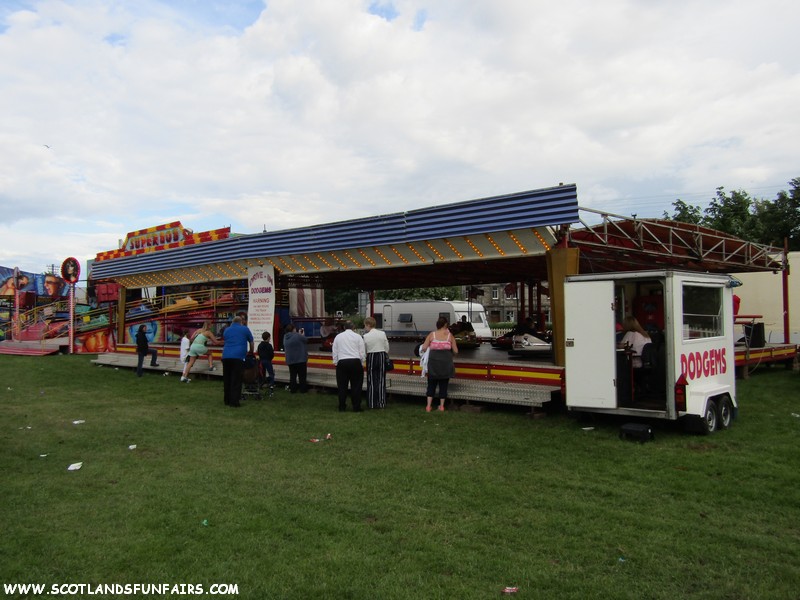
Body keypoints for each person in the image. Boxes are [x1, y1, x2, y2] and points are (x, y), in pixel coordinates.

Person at [420, 316, 458, 412]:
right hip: (446, 362)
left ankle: (428, 406)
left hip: (433, 363)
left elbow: (424, 348)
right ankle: (441, 406)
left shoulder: (432, 334)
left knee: (431, 384)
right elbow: (456, 351)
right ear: (446, 325)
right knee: (443, 385)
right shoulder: (450, 336)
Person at [332, 321, 366, 412]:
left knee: (342, 386)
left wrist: (336, 362)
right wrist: (362, 362)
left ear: (344, 327)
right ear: (353, 327)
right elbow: (362, 351)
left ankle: (342, 406)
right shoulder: (358, 337)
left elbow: (335, 350)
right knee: (356, 386)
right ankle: (356, 407)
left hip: (342, 362)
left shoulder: (338, 337)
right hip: (355, 362)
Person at [221, 316, 254, 407]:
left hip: (226, 356)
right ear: (241, 322)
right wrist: (251, 351)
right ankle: (234, 402)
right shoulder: (244, 329)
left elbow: (226, 340)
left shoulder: (227, 330)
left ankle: (227, 400)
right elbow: (251, 341)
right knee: (236, 379)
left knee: (227, 379)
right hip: (238, 357)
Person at [363, 316, 390, 409]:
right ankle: (381, 402)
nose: (365, 328)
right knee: (381, 380)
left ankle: (372, 403)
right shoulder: (382, 333)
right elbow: (387, 347)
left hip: (371, 356)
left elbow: (364, 350)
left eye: (365, 326)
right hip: (381, 355)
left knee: (371, 380)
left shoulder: (366, 336)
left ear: (368, 325)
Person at [282, 324, 309, 393]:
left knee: (293, 376)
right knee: (302, 376)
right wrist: (302, 334)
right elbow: (305, 340)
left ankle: (293, 389)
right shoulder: (297, 336)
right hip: (300, 359)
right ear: (293, 329)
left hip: (290, 360)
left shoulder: (285, 337)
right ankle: (303, 390)